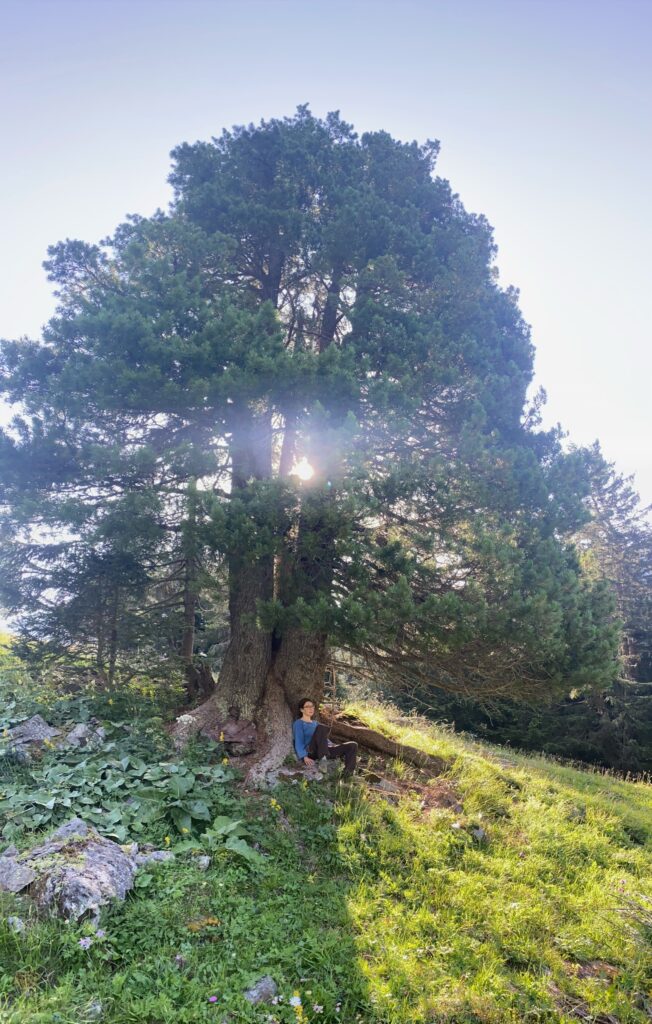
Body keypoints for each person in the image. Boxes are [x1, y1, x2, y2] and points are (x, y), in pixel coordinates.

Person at [293, 698, 357, 776]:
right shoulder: (299, 723)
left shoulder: (315, 723)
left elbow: (323, 739)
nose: (311, 708)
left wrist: (332, 745)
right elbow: (298, 740)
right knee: (321, 728)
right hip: (312, 751)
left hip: (325, 750)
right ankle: (323, 761)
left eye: (312, 706)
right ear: (302, 710)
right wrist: (304, 757)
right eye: (307, 706)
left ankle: (347, 774)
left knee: (352, 745)